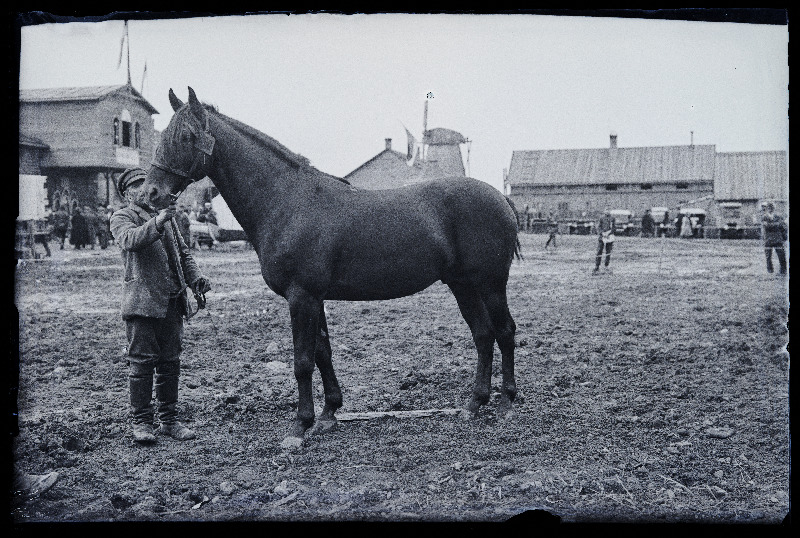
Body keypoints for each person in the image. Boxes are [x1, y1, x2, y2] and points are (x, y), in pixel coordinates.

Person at [110, 168, 212, 444]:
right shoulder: (122, 217)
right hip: (141, 303)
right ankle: (142, 423)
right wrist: (157, 222)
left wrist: (196, 279)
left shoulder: (167, 219)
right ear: (126, 193)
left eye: (146, 184)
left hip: (171, 302)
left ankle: (169, 421)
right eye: (137, 186)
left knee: (170, 363)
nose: (143, 189)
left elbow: (183, 254)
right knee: (141, 364)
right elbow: (131, 241)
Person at [761, 203, 787, 275]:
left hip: (778, 239)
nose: (770, 209)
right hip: (768, 239)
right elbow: (766, 226)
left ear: (774, 208)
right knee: (768, 256)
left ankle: (783, 270)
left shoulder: (778, 216)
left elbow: (782, 226)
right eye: (769, 207)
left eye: (771, 207)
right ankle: (770, 271)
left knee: (781, 255)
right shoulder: (764, 217)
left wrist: (784, 238)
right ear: (767, 209)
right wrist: (776, 224)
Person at [592, 208, 615, 275]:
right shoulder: (601, 218)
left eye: (609, 209)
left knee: (608, 252)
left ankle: (606, 265)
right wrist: (602, 233)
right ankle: (597, 266)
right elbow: (598, 227)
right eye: (606, 209)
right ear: (604, 211)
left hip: (609, 237)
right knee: (599, 251)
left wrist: (609, 233)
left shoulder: (612, 218)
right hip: (602, 237)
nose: (607, 211)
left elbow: (614, 228)